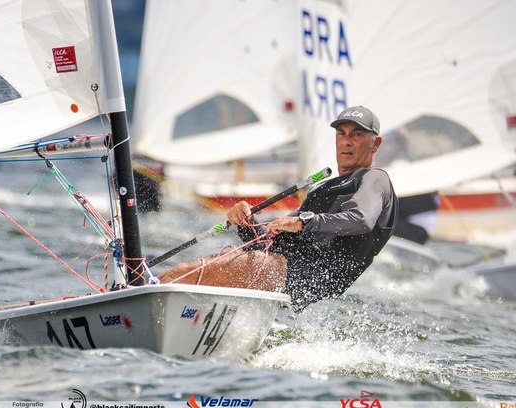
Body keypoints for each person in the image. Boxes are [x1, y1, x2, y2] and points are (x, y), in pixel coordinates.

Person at [158, 106, 398, 310]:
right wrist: (247, 222)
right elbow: (269, 243)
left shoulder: (375, 179)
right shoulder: (322, 189)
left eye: (356, 134)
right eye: (341, 133)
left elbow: (361, 219)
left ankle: (146, 302)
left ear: (375, 143)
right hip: (284, 272)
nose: (346, 140)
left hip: (308, 279)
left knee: (180, 273)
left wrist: (304, 221)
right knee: (186, 270)